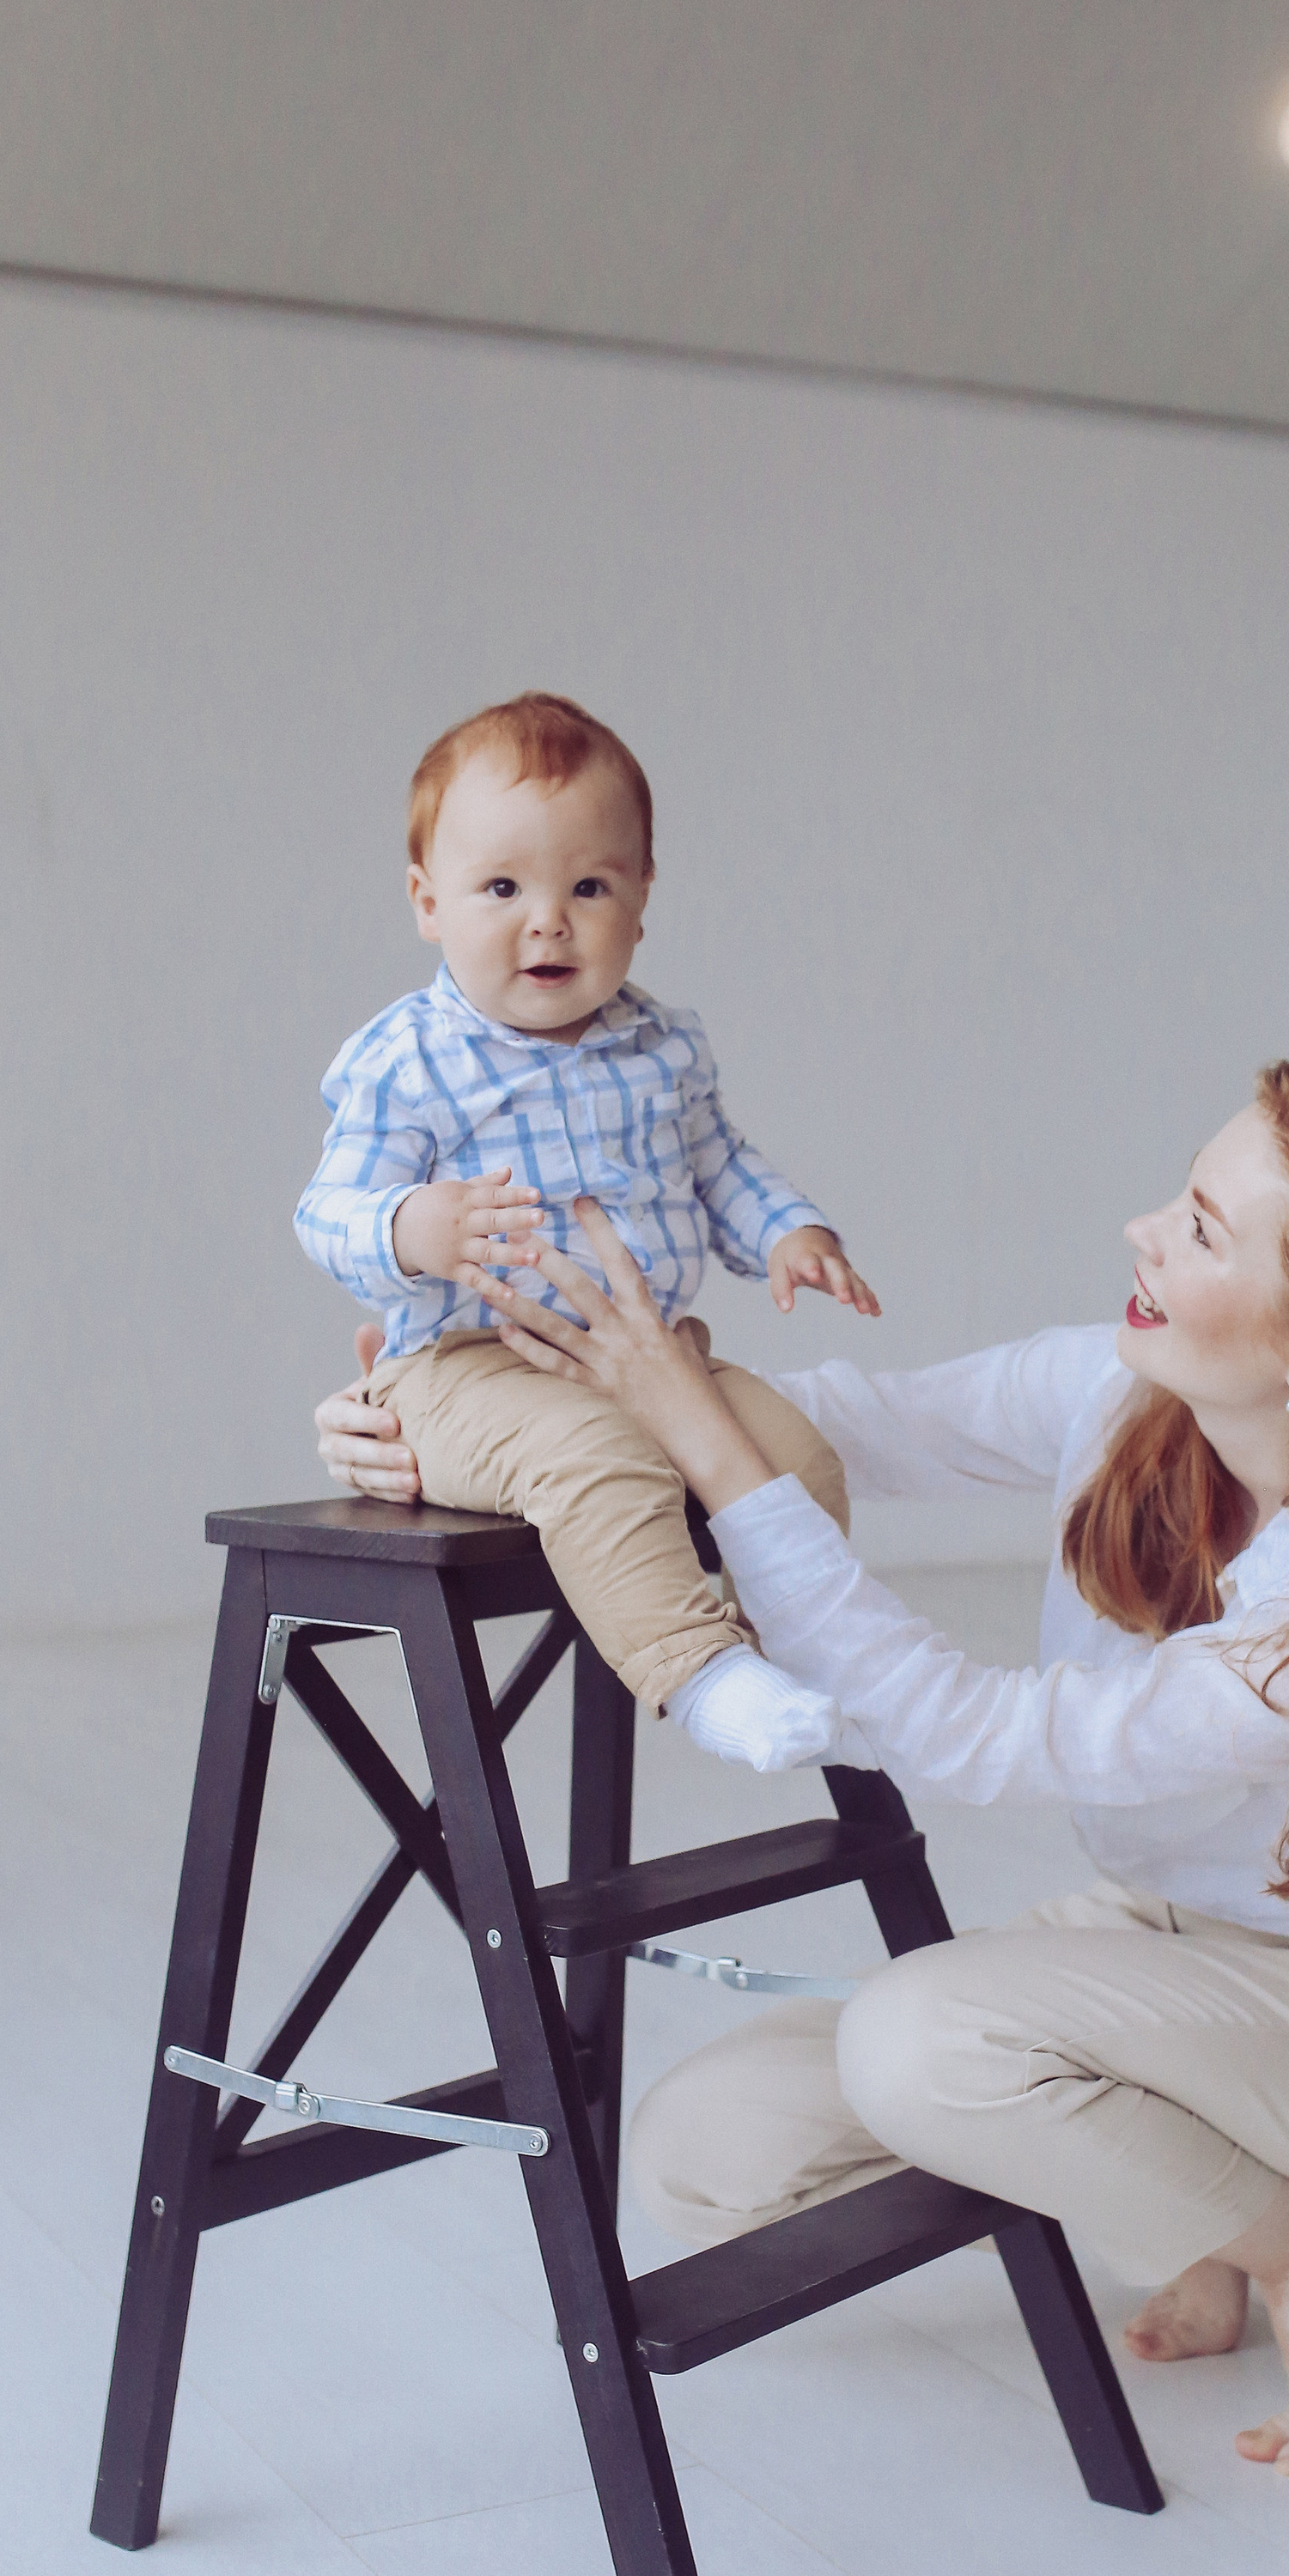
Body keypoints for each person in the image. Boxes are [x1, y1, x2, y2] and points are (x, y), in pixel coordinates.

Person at [315, 1062, 1289, 2482]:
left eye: (1204, 1231)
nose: (1142, 1231)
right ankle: (1220, 2206)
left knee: (927, 2046)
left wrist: (709, 1446)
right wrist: (459, 1417)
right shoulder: (1125, 1391)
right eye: (1182, 1194)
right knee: (702, 2155)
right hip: (1172, 1949)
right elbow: (862, 1416)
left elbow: (971, 1735)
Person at [296, 690, 881, 1773]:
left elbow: (721, 1167)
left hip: (650, 1353)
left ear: (643, 901)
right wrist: (412, 1226)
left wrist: (792, 1231)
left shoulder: (662, 1046)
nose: (549, 919)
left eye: (590, 885)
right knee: (595, 1460)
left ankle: (798, 1651)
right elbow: (325, 1212)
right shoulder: (410, 1058)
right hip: (476, 1371)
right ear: (428, 901)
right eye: (503, 887)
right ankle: (696, 1674)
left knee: (796, 1456)